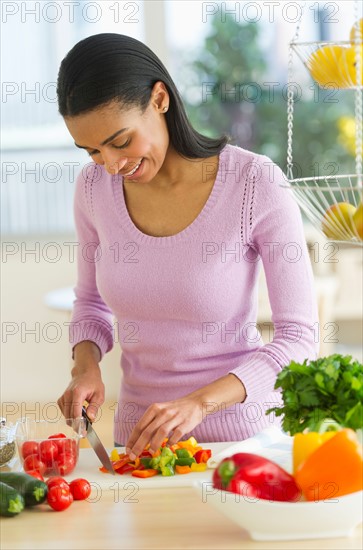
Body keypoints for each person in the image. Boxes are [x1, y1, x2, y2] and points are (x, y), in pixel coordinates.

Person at [56, 33, 319, 459]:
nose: (111, 165)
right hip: (139, 444)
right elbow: (89, 303)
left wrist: (198, 404)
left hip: (239, 442)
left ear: (159, 99)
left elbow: (299, 339)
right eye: (92, 151)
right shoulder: (92, 190)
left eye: (121, 141)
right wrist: (85, 368)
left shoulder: (255, 184)